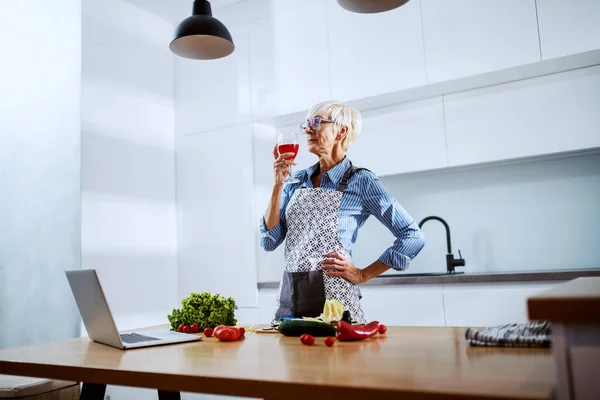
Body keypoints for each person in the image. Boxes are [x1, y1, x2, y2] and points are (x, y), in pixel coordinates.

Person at [259, 101, 425, 323]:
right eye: (307, 124)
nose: (308, 129)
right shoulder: (295, 181)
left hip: (335, 303)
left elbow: (412, 236)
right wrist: (278, 185)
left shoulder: (362, 181)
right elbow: (269, 241)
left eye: (317, 122)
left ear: (341, 131)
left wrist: (362, 274)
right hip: (293, 300)